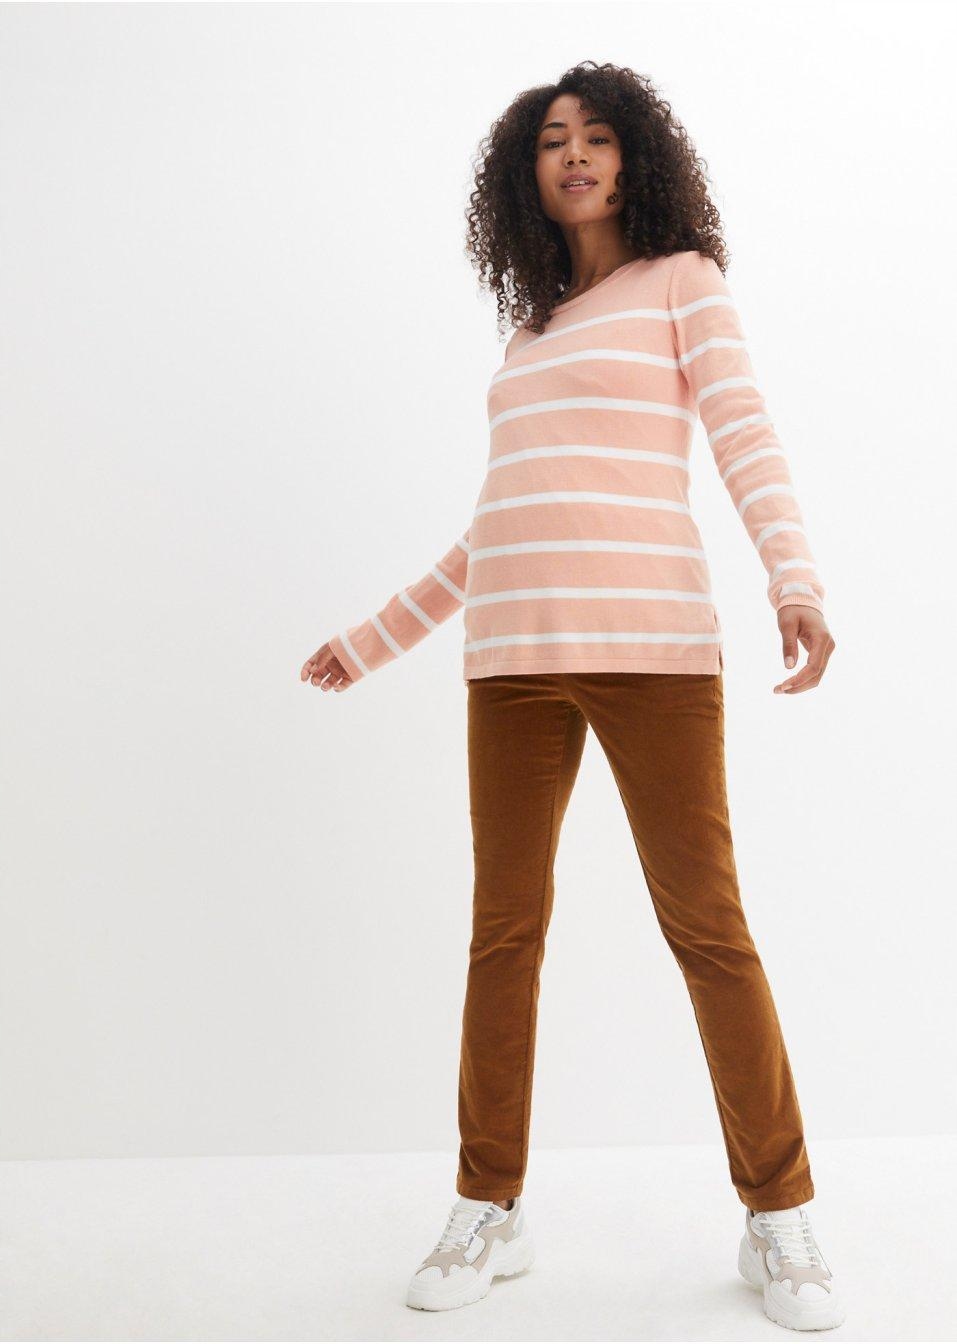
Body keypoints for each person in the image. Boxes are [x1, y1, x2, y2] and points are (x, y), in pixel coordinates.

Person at [300, 62, 843, 1333]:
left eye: (599, 136)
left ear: (636, 157)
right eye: (553, 140)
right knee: (505, 935)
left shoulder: (684, 283)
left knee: (710, 931)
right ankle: (488, 1205)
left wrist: (795, 579)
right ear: (526, 176)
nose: (577, 154)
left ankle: (779, 1214)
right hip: (510, 664)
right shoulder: (530, 336)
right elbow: (500, 525)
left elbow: (745, 433)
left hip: (654, 652)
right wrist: (375, 639)